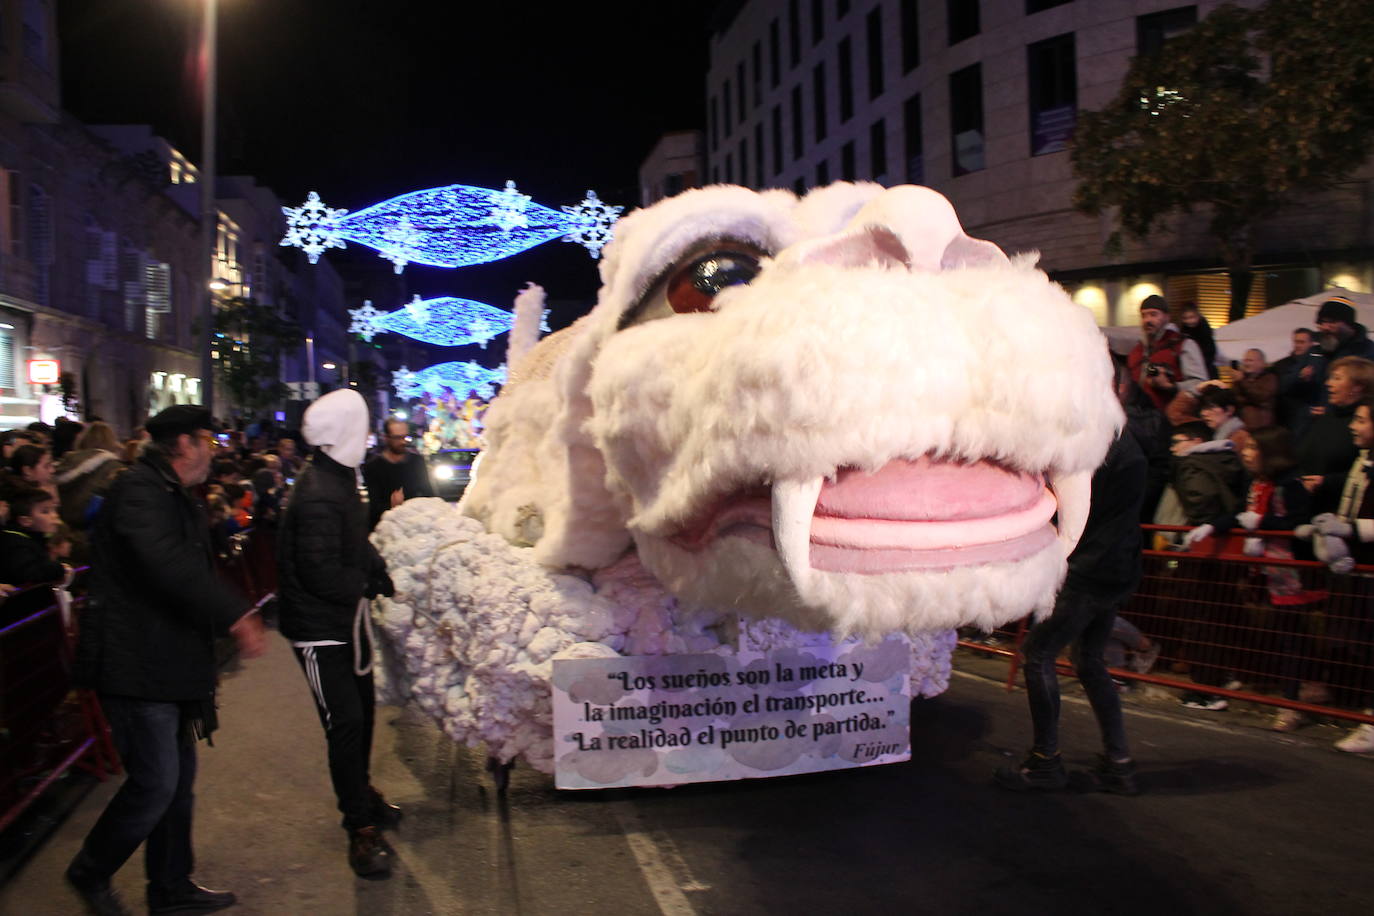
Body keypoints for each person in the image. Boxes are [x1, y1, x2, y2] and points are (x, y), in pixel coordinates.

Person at [66, 405, 266, 916]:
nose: (214, 450)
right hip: (136, 664)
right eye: (208, 439)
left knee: (176, 785)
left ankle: (171, 885)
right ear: (183, 445)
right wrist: (234, 614)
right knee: (156, 783)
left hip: (168, 662)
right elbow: (167, 565)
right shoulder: (139, 490)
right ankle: (90, 869)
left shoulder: (171, 493)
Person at [277, 390, 400, 878]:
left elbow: (354, 541)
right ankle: (358, 829)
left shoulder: (341, 478)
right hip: (319, 629)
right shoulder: (316, 494)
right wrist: (364, 584)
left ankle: (362, 794)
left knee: (364, 714)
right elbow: (319, 571)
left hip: (345, 622)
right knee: (345, 723)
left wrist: (377, 568)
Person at [994, 427, 1147, 795]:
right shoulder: (1129, 443)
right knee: (1089, 658)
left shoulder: (1093, 447)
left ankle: (1046, 760)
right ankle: (1118, 761)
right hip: (1118, 565)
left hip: (1087, 569)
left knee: (1037, 655)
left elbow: (1079, 510)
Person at [1182, 427, 1317, 716]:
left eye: (1254, 448)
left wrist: (1261, 521)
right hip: (1266, 571)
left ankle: (1291, 703)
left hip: (1290, 575)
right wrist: (1214, 526)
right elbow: (1242, 516)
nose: (1247, 453)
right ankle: (1288, 691)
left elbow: (1299, 524)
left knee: (1292, 638)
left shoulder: (1289, 486)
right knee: (1280, 635)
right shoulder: (1258, 484)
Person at [1306, 397, 1374, 753]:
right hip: (1358, 569)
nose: (1353, 425)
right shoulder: (1362, 462)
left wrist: (1348, 528)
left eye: (1362, 420)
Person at [1298, 356, 1374, 513]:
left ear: (1357, 386)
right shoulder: (1328, 416)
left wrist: (1327, 482)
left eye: (1336, 378)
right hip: (1310, 507)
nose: (1328, 383)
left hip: (1343, 512)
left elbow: (1366, 471)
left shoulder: (1367, 423)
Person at [1126, 295, 1207, 412]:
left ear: (1167, 317)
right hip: (1139, 420)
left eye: (1153, 314)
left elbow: (1201, 385)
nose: (1147, 320)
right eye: (1144, 315)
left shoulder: (1184, 345)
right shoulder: (1136, 352)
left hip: (1172, 420)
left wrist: (1171, 387)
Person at [362, 418, 435, 530]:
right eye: (397, 438)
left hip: (416, 525)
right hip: (386, 528)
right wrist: (392, 505)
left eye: (405, 437)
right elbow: (374, 507)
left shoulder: (417, 461)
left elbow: (430, 494)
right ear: (386, 438)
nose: (403, 442)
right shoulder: (373, 466)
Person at [1273, 328, 1327, 440]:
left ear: (1311, 343)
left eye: (1302, 342)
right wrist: (1299, 376)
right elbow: (1281, 387)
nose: (1297, 345)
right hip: (1288, 418)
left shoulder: (1321, 363)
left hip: (1312, 418)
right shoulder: (1282, 365)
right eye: (1296, 342)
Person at [1314, 296, 1374, 365]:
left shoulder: (1367, 351)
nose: (1325, 327)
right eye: (1321, 322)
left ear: (1348, 324)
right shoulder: (1315, 349)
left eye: (1332, 322)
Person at [1229, 348, 1278, 430]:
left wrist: (1242, 381)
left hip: (1261, 427)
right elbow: (1235, 399)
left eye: (1250, 360)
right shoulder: (1241, 379)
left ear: (1261, 363)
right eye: (1245, 360)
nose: (1246, 364)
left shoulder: (1269, 378)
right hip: (1242, 427)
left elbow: (1261, 397)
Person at [1178, 302, 1219, 380]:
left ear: (1198, 316)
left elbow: (1210, 353)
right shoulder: (1183, 332)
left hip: (1207, 371)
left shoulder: (1205, 332)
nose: (1189, 321)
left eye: (1191, 317)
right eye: (1185, 318)